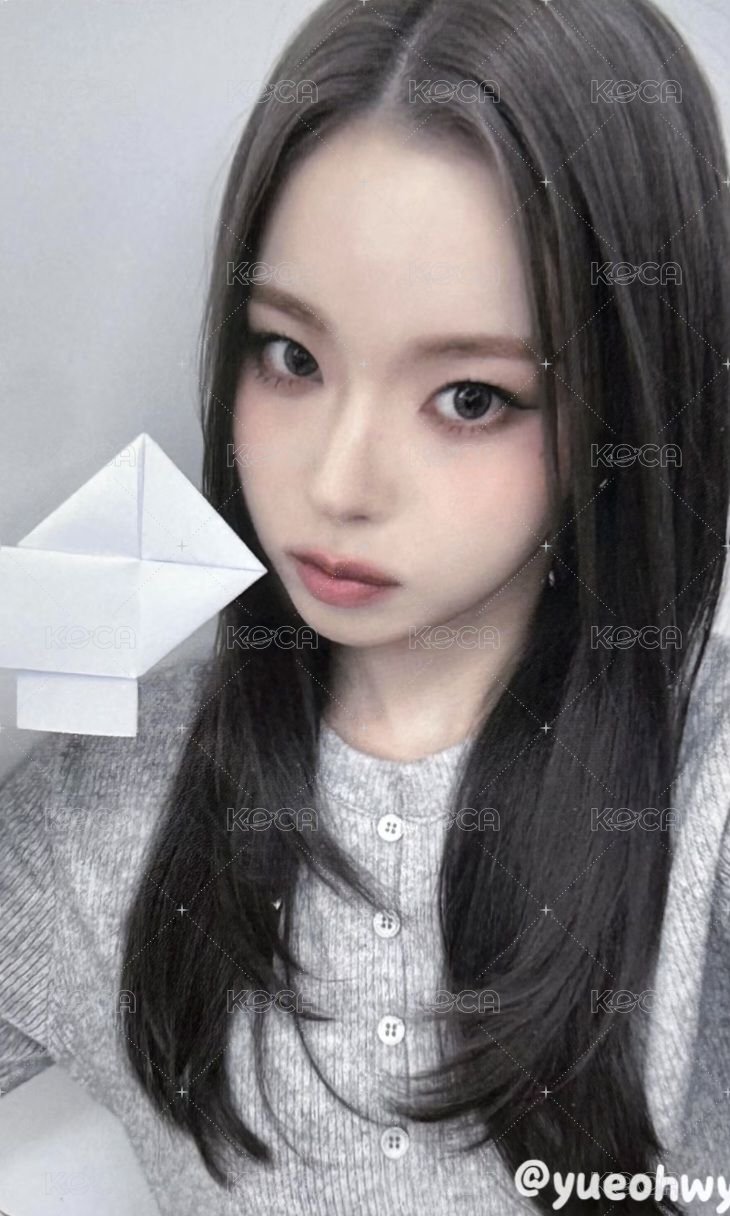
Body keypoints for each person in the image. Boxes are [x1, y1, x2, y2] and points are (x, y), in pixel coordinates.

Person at [3, 0, 730, 1212]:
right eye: (291, 357)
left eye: (469, 397)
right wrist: (31, 634)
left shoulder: (700, 790)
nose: (336, 484)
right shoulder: (109, 803)